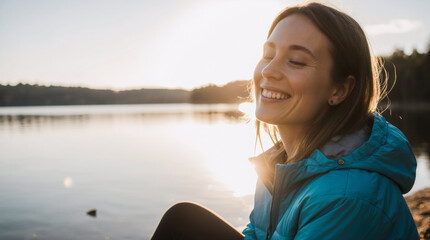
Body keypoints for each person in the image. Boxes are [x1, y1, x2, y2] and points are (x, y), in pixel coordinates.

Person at [151, 2, 419, 240]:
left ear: (339, 90)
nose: (268, 70)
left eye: (296, 61)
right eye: (268, 55)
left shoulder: (345, 197)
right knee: (184, 221)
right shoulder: (281, 163)